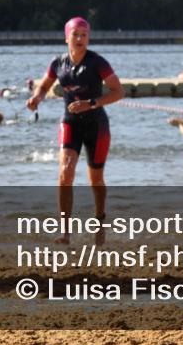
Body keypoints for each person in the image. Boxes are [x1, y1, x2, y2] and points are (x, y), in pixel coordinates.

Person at [27, 16, 124, 245]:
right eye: (75, 34)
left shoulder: (97, 62)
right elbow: (44, 85)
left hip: (96, 125)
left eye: (84, 35)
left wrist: (90, 103)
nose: (80, 39)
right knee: (65, 171)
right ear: (66, 38)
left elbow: (118, 92)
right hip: (70, 122)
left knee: (95, 180)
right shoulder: (57, 63)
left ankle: (100, 222)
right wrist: (37, 98)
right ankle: (65, 231)